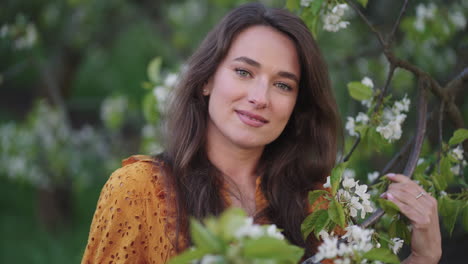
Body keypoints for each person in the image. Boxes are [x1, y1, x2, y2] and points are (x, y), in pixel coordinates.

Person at [81, 3, 441, 264]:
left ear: (297, 104)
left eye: (283, 85)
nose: (259, 98)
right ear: (207, 79)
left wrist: (424, 257)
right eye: (243, 72)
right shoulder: (139, 192)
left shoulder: (318, 205)